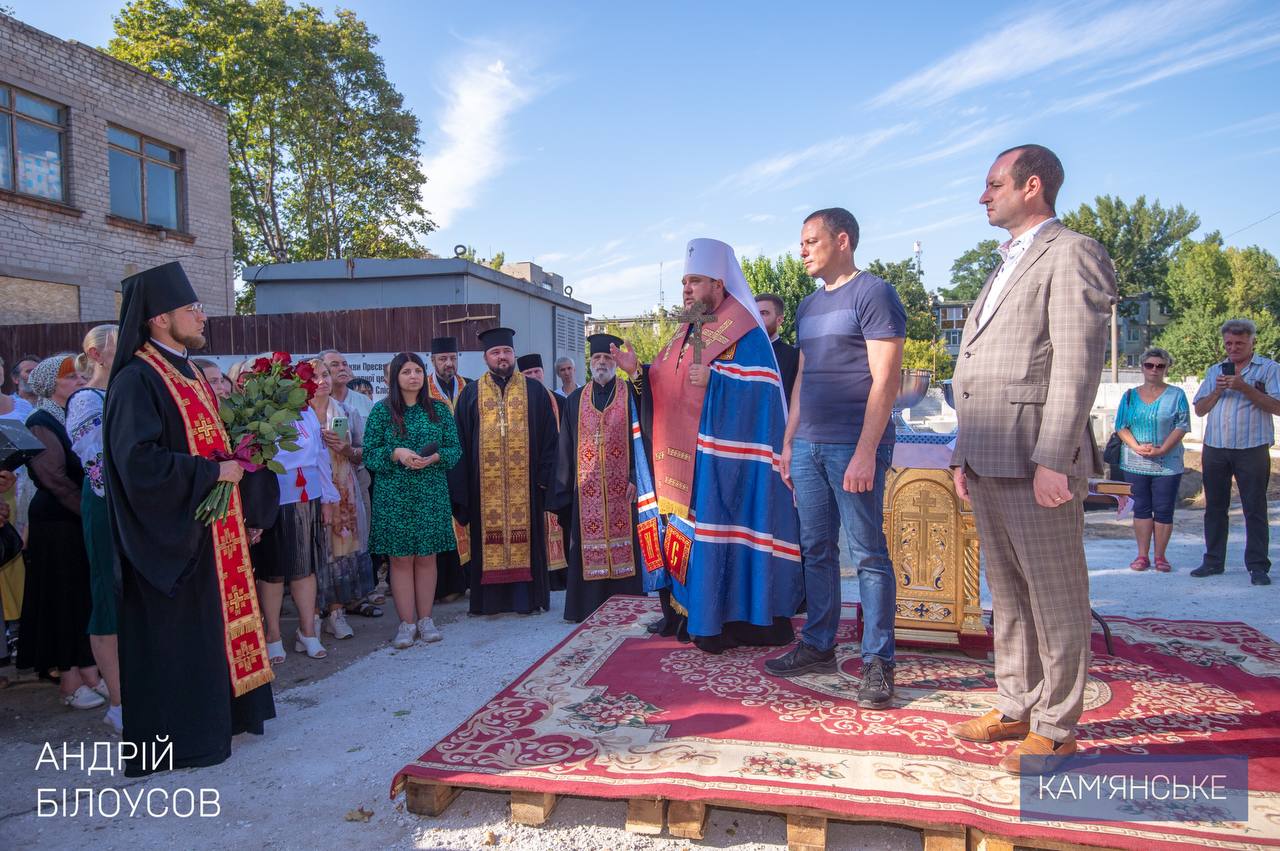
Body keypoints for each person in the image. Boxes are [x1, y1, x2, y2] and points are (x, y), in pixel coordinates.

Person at [946, 145, 1115, 775]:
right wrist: (963, 453)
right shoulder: (1004, 262)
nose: (983, 196)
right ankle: (1018, 703)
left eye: (993, 184)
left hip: (1035, 457)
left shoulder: (1071, 252)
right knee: (1010, 595)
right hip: (990, 454)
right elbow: (978, 367)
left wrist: (1055, 458)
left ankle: (1057, 726)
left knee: (1055, 593)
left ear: (1032, 186)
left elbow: (1075, 366)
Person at [104, 262, 275, 775]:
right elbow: (137, 462)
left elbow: (213, 446)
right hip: (174, 536)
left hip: (212, 531)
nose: (203, 316)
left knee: (214, 628)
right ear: (159, 318)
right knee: (181, 637)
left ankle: (224, 718)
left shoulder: (189, 371)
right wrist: (210, 472)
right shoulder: (138, 378)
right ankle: (184, 740)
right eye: (191, 309)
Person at [614, 238, 802, 654]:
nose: (686, 289)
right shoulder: (682, 334)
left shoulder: (745, 331)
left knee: (716, 538)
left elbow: (766, 394)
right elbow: (664, 390)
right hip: (679, 463)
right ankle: (683, 614)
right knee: (678, 536)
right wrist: (638, 374)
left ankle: (722, 621)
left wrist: (717, 381)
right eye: (684, 282)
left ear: (719, 284)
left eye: (694, 281)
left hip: (720, 467)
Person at [763, 209, 905, 709]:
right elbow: (803, 378)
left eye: (811, 240)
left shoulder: (874, 293)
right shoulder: (805, 306)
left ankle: (877, 662)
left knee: (867, 553)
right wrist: (788, 443)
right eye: (800, 242)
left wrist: (867, 451)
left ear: (842, 240)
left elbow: (886, 379)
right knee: (816, 550)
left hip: (853, 445)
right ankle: (820, 645)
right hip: (809, 447)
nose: (802, 250)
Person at [450, 328, 559, 616]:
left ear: (514, 355)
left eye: (506, 352)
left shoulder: (535, 392)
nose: (502, 357)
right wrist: (463, 489)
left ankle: (528, 601)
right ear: (486, 357)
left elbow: (550, 438)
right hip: (483, 490)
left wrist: (544, 480)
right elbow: (459, 442)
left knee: (529, 541)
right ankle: (490, 603)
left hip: (528, 487)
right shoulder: (470, 394)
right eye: (495, 353)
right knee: (485, 543)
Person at [17, 354, 103, 710]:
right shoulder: (41, 420)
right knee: (62, 599)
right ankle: (69, 681)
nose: (80, 382)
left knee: (82, 596)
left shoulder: (72, 415)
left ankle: (90, 672)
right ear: (52, 383)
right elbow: (54, 478)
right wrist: (89, 511)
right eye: (72, 378)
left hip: (74, 520)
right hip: (56, 523)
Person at [364, 351, 461, 646]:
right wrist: (396, 453)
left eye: (417, 371)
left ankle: (426, 619)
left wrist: (435, 458)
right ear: (395, 377)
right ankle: (406, 624)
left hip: (430, 491)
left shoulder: (439, 411)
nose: (413, 376)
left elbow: (455, 450)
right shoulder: (381, 412)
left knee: (427, 557)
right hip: (394, 494)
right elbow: (369, 454)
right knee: (401, 559)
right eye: (406, 371)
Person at [252, 354, 339, 663]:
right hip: (276, 499)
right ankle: (273, 634)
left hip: (308, 498)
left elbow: (319, 457)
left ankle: (307, 632)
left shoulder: (306, 414)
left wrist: (329, 498)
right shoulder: (263, 413)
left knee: (305, 566)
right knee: (273, 571)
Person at [551, 335, 643, 622]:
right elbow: (565, 443)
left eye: (607, 358)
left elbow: (642, 436)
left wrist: (635, 475)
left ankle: (628, 602)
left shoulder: (630, 393)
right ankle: (587, 605)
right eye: (597, 359)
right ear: (590, 364)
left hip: (624, 488)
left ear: (615, 361)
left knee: (626, 542)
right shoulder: (576, 399)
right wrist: (563, 488)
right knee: (585, 543)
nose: (601, 363)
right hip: (586, 487)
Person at [1190, 318, 1280, 586]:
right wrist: (1217, 391)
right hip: (1216, 447)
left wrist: (1244, 387)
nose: (1233, 348)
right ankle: (1213, 561)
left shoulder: (1269, 369)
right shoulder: (1215, 371)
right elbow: (1200, 409)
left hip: (1251, 447)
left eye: (1239, 343)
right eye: (1229, 343)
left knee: (1254, 508)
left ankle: (1257, 566)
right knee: (1215, 508)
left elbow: (1277, 406)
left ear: (1252, 342)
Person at [66, 325, 125, 732]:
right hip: (108, 503)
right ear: (96, 353)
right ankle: (119, 702)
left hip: (133, 506)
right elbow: (97, 460)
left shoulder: (126, 393)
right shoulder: (87, 398)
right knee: (109, 593)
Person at [307, 358, 376, 639]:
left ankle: (337, 613)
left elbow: (364, 452)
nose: (322, 380)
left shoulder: (345, 411)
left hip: (345, 491)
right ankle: (310, 617)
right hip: (310, 492)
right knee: (313, 554)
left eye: (325, 374)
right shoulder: (296, 415)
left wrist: (346, 448)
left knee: (341, 553)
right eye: (315, 376)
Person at [1114, 347, 1190, 574]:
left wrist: (1163, 449)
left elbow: (1182, 425)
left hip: (1168, 462)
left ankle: (1160, 556)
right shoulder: (1129, 395)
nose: (1154, 370)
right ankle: (1142, 555)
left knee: (1164, 509)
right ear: (1142, 367)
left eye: (1160, 365)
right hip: (1135, 462)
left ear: (1167, 368)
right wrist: (1136, 446)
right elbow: (1120, 426)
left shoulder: (1176, 395)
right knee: (1142, 508)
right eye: (1150, 365)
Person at [425, 336, 470, 602]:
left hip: (465, 463)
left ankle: (468, 578)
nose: (448, 363)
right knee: (444, 524)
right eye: (443, 359)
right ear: (433, 361)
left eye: (452, 358)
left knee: (467, 519)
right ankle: (447, 586)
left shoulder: (470, 387)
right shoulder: (425, 391)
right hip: (438, 467)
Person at [519, 352, 569, 590]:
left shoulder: (559, 401)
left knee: (559, 524)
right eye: (527, 373)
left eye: (536, 372)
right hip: (530, 476)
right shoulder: (518, 404)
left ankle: (561, 575)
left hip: (557, 474)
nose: (533, 376)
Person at [755, 293, 800, 404]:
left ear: (779, 320)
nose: (757, 318)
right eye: (755, 313)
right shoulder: (741, 354)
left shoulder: (794, 356)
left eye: (764, 313)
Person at [320, 349, 375, 421]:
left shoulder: (365, 401)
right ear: (323, 370)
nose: (342, 368)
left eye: (345, 364)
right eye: (335, 365)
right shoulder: (317, 403)